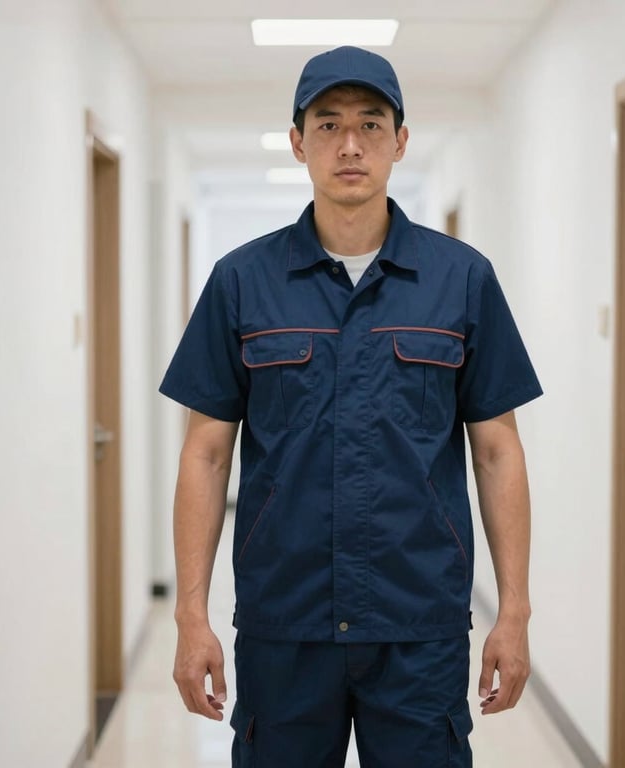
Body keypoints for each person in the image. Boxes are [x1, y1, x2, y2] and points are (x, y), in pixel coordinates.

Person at [160, 45, 542, 768]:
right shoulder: (242, 281)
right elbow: (205, 453)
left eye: (371, 124)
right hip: (285, 625)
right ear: (299, 141)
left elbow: (498, 449)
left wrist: (514, 611)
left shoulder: (461, 280)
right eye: (328, 124)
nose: (350, 144)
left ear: (400, 141)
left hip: (418, 623)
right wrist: (190, 615)